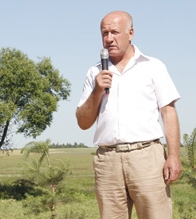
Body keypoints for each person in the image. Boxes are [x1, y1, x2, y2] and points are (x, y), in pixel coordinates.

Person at [76, 11, 182, 219]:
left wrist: (173, 156)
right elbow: (83, 122)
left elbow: (168, 112)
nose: (109, 39)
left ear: (131, 33)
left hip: (146, 158)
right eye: (104, 33)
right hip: (108, 161)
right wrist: (97, 90)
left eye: (114, 32)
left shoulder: (153, 67)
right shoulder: (94, 73)